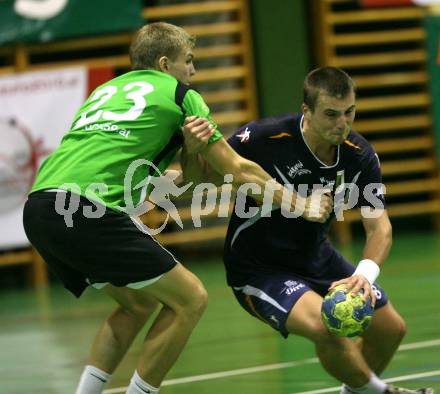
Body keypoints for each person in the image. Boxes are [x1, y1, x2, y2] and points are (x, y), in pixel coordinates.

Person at [22, 23, 331, 394]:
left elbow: (179, 180)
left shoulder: (104, 92)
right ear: (166, 63)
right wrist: (302, 204)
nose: (194, 71)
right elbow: (238, 169)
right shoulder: (182, 95)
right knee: (191, 299)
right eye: (189, 61)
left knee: (135, 306)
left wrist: (190, 149)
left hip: (41, 207)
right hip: (88, 210)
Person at [183, 67, 434, 394]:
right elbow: (197, 181)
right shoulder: (263, 138)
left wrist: (364, 275)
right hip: (259, 269)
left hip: (317, 258)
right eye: (331, 114)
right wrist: (190, 149)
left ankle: (358, 390)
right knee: (327, 326)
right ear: (307, 111)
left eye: (349, 113)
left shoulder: (360, 155)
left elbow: (379, 228)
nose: (342, 123)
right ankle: (381, 392)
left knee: (390, 329)